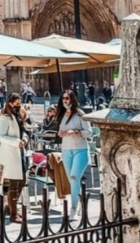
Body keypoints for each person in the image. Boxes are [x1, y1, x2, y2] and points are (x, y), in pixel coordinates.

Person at [56, 89, 92, 220]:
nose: (65, 101)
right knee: (72, 181)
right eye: (63, 98)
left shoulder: (80, 114)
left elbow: (89, 132)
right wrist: (61, 133)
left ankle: (74, 208)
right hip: (66, 149)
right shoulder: (62, 114)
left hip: (80, 149)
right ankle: (79, 202)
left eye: (67, 98)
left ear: (72, 99)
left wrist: (77, 132)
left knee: (74, 177)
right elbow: (60, 130)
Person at [0, 93, 29, 224]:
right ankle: (13, 213)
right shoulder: (5, 118)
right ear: (10, 103)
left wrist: (25, 138)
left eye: (19, 103)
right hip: (11, 153)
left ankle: (11, 207)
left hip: (20, 152)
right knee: (14, 185)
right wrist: (16, 142)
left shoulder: (18, 116)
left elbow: (23, 131)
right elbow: (0, 136)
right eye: (16, 103)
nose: (18, 105)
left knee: (22, 181)